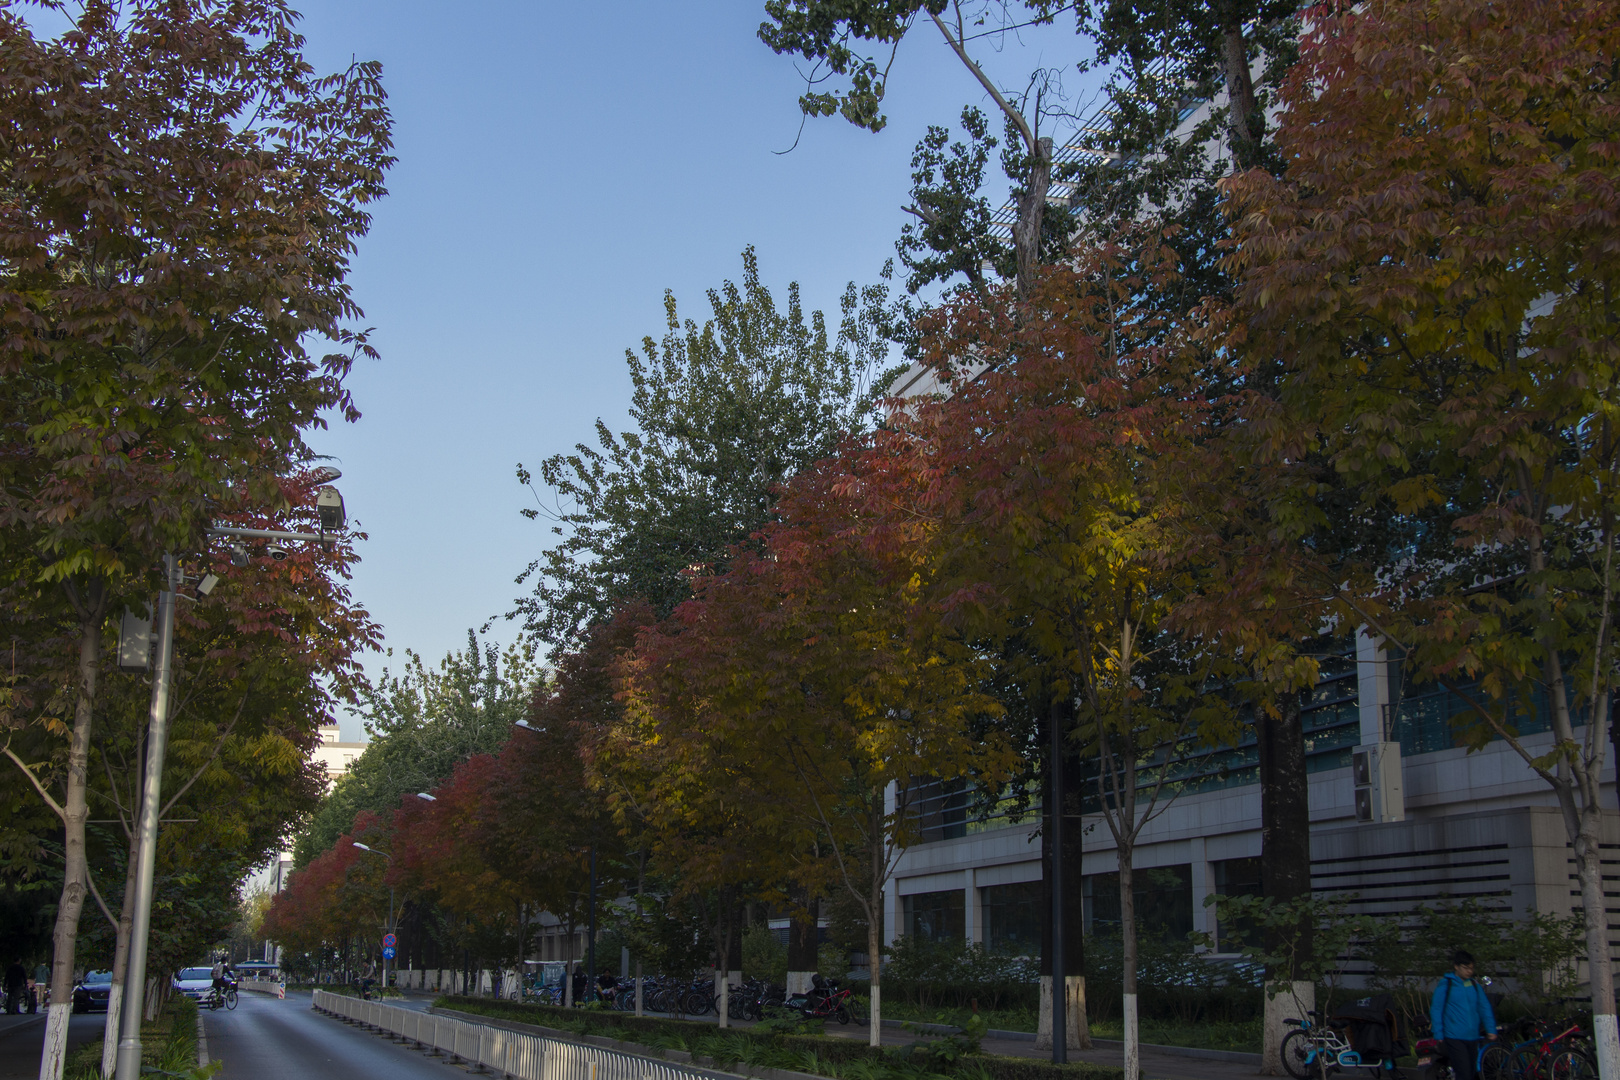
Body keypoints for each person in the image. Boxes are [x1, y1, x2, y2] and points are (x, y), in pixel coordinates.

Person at [1430, 949, 1497, 1080]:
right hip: (1454, 1036)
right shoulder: (1447, 984)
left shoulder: (1473, 985)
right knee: (1464, 1072)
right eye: (1465, 968)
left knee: (1472, 1072)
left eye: (1471, 968)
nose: (1469, 971)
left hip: (1472, 1036)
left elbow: (1484, 1007)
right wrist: (1438, 1033)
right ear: (1456, 966)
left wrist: (1491, 1029)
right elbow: (1436, 1009)